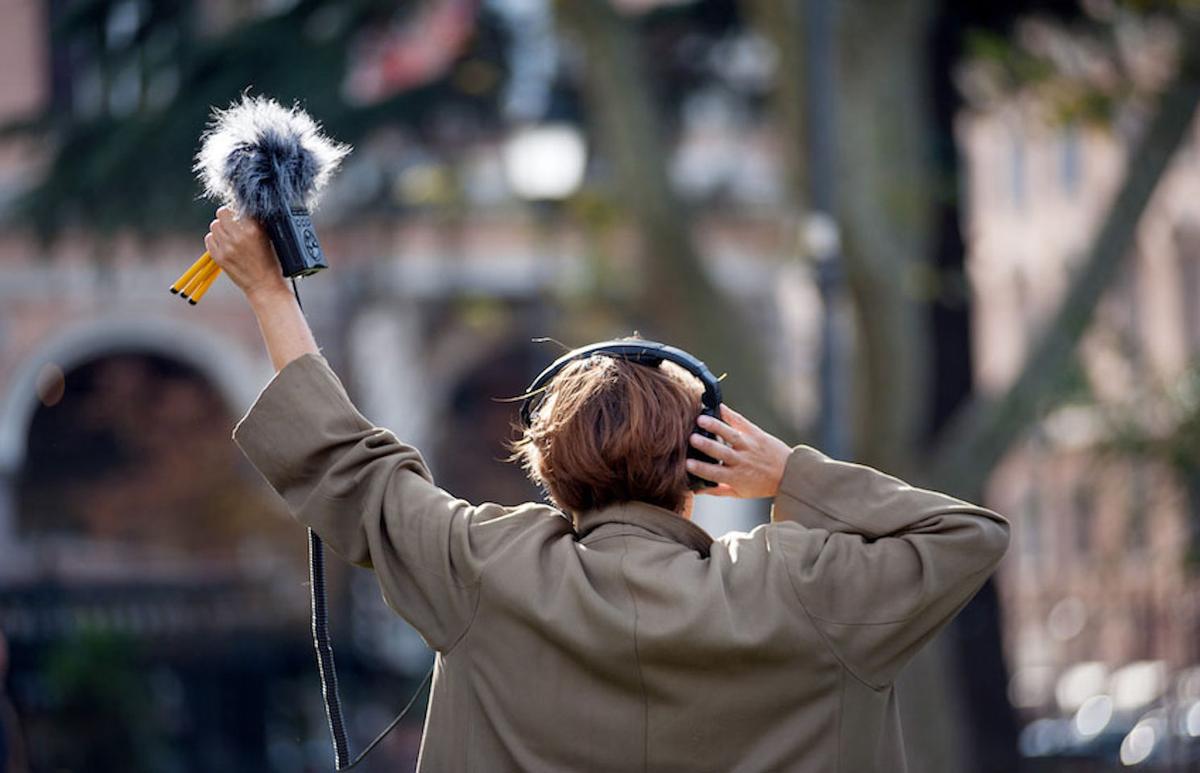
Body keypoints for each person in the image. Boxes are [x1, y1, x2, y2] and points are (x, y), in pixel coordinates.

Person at [206, 207, 1010, 772]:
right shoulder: (801, 589)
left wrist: (270, 292)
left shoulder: (486, 567)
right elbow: (965, 537)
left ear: (552, 471)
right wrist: (788, 471)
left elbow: (348, 462)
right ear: (701, 469)